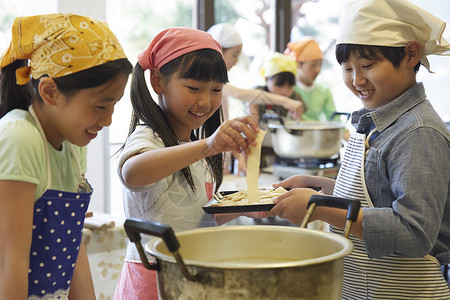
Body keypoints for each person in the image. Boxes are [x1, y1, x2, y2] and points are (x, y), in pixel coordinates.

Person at [267, 0, 450, 298]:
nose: (356, 80)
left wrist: (320, 207)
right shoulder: (381, 122)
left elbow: (415, 232)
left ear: (410, 54)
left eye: (367, 66)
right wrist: (322, 187)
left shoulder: (418, 131)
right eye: (347, 68)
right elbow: (380, 193)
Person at [113, 27, 260, 300]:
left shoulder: (197, 150)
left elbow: (198, 216)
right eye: (193, 88)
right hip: (152, 277)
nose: (205, 101)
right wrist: (207, 146)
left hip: (192, 274)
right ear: (158, 82)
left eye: (216, 90)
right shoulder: (149, 137)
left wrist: (252, 205)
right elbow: (132, 172)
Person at [0, 14, 132, 299]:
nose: (108, 120)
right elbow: (11, 261)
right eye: (100, 106)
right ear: (50, 91)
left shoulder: (73, 144)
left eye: (114, 106)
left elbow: (72, 245)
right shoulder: (19, 137)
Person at [207, 23, 305, 174]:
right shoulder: (209, 83)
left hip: (222, 162)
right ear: (219, 50)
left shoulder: (220, 82)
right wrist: (286, 101)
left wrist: (238, 157)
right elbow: (241, 94)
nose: (236, 60)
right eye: (235, 54)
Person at [249, 52, 306, 168]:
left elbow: (299, 125)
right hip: (259, 155)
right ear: (266, 79)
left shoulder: (295, 98)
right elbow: (251, 129)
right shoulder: (257, 95)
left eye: (289, 86)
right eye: (280, 85)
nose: (285, 91)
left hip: (285, 155)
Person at [285, 37, 337, 122]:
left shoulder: (323, 90)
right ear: (298, 64)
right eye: (313, 65)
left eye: (320, 64)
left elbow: (334, 118)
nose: (317, 69)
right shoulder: (288, 89)